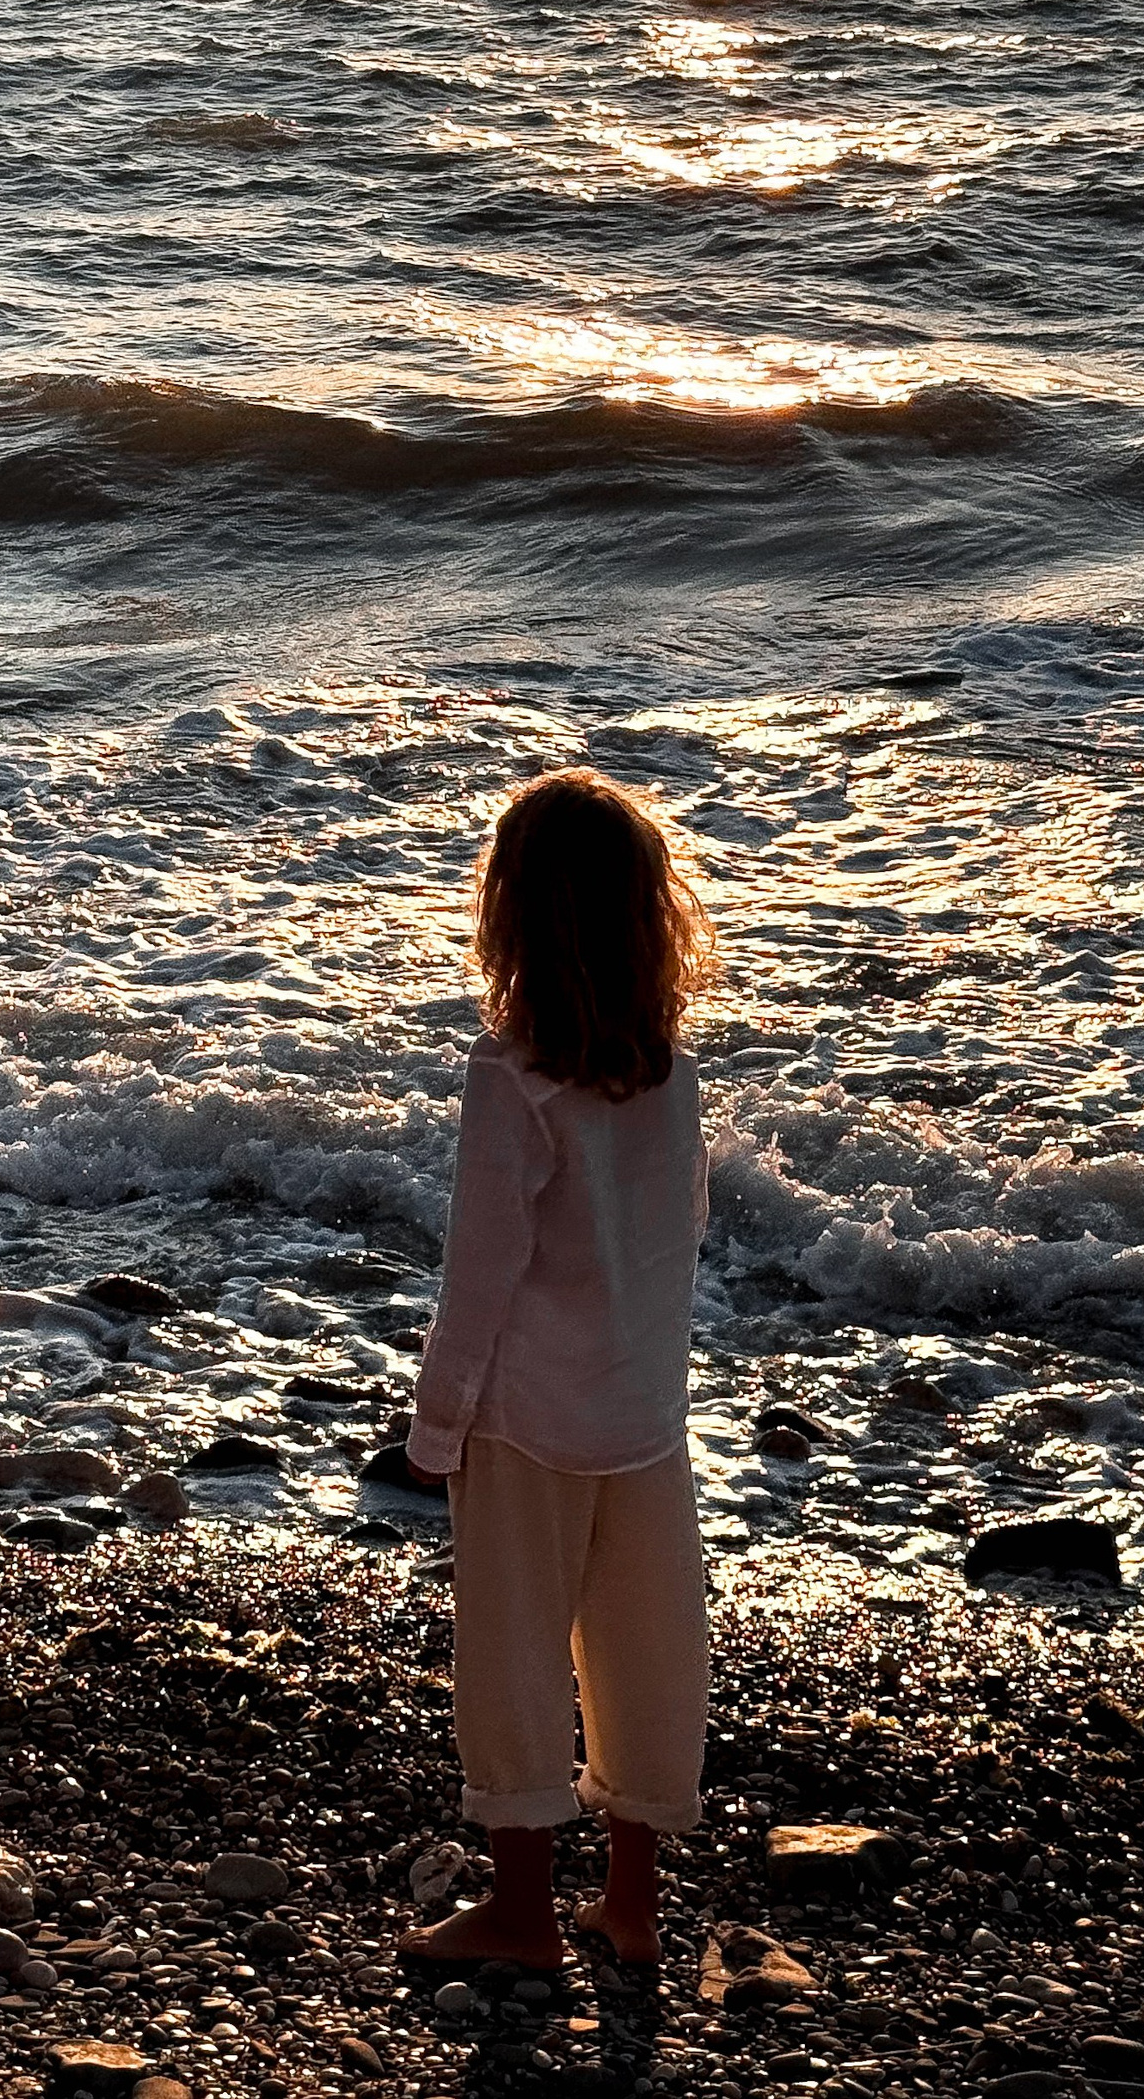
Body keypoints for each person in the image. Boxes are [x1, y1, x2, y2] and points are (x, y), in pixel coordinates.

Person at [403, 768, 716, 1971]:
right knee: (648, 1644)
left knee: (516, 1649)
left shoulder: (512, 1080)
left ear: (515, 923)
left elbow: (478, 1278)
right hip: (643, 1411)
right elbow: (678, 1231)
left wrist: (435, 1431)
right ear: (649, 918)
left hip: (526, 1417)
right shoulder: (669, 1070)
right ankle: (630, 1901)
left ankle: (523, 1910)